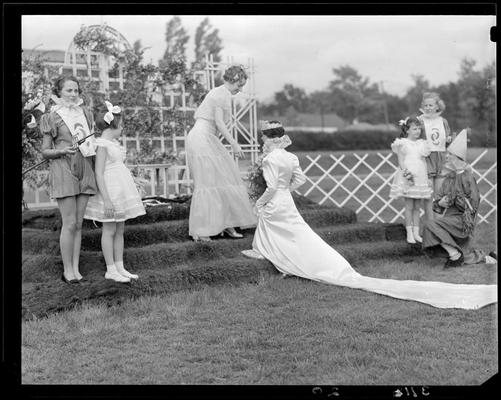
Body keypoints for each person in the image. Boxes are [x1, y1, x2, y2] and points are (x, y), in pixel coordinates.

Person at [241, 121, 496, 310]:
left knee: (276, 223)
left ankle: (273, 251)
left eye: (263, 137)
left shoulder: (268, 160)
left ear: (268, 139)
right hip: (285, 198)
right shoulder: (290, 157)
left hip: (276, 199)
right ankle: (271, 249)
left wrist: (263, 200)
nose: (263, 141)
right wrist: (286, 191)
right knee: (296, 230)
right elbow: (299, 180)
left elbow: (272, 187)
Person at [186, 65, 257, 241]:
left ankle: (226, 224)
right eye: (238, 86)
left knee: (223, 178)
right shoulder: (221, 93)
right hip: (201, 138)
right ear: (231, 80)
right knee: (208, 182)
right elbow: (219, 122)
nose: (239, 90)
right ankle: (203, 229)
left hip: (208, 137)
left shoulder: (222, 93)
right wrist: (234, 144)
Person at [40, 75, 98, 284]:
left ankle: (75, 268)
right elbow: (45, 151)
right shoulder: (52, 116)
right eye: (68, 91)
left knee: (79, 223)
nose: (73, 95)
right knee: (70, 222)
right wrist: (61, 150)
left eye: (76, 90)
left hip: (85, 168)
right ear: (59, 93)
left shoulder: (86, 114)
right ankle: (67, 270)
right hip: (63, 167)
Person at [84, 101, 146, 283]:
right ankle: (110, 269)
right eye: (122, 124)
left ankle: (120, 266)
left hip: (121, 191)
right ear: (114, 125)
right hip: (110, 192)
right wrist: (107, 200)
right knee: (109, 229)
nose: (123, 128)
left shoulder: (113, 143)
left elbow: (119, 167)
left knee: (120, 229)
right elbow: (99, 173)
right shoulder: (102, 144)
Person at [422, 130, 496, 268]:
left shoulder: (468, 178)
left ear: (458, 158)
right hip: (450, 219)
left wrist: (454, 200)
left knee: (430, 225)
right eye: (447, 154)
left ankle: (456, 256)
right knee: (431, 227)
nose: (447, 157)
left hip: (464, 221)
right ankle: (463, 256)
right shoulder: (449, 178)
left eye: (450, 155)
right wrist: (440, 203)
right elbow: (437, 204)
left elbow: (473, 205)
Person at [389, 116, 433, 243]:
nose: (417, 131)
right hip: (407, 176)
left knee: (417, 206)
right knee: (409, 206)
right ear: (407, 130)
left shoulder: (422, 144)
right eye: (414, 129)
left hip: (420, 177)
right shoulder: (402, 143)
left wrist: (427, 177)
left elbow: (424, 161)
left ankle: (416, 232)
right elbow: (401, 161)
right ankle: (409, 233)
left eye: (419, 129)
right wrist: (407, 175)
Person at [417, 92, 455, 220]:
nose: (428, 108)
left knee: (440, 195)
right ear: (422, 106)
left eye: (431, 105)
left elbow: (447, 140)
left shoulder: (443, 121)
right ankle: (430, 226)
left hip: (441, 159)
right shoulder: (420, 121)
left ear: (437, 106)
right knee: (427, 196)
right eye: (425, 105)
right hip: (426, 160)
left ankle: (440, 227)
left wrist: (449, 140)